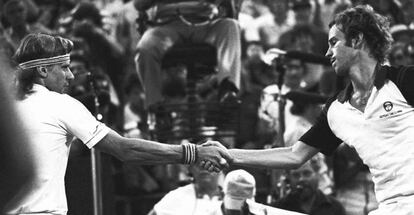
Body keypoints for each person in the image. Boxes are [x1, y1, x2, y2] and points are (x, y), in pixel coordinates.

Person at [203, 5, 414, 215]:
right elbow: (294, 155)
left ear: (357, 40)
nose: (327, 52)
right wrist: (228, 155)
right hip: (391, 207)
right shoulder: (336, 110)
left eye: (334, 43)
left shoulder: (404, 80)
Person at [3, 33, 230, 215]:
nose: (71, 76)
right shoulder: (60, 104)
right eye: (63, 67)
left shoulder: (6, 109)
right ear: (42, 70)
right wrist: (193, 153)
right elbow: (125, 150)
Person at [133, 0, 241, 107]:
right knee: (146, 47)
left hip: (205, 23)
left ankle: (228, 89)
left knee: (230, 26)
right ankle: (155, 106)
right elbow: (138, 4)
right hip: (166, 25)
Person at [275, 160, 345, 215]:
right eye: (296, 175)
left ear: (317, 175)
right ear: (289, 179)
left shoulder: (335, 208)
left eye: (307, 173)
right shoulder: (277, 209)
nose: (301, 179)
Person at [148, 165, 224, 215]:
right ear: (191, 169)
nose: (204, 169)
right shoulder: (178, 195)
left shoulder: (229, 196)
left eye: (210, 164)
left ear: (221, 169)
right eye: (199, 164)